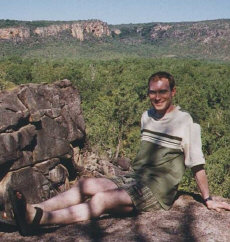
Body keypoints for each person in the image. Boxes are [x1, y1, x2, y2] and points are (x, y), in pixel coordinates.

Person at [9, 71, 230, 236]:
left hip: (156, 191)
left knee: (102, 200)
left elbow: (197, 164)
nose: (157, 97)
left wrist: (208, 199)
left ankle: (39, 219)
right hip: (135, 179)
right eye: (152, 92)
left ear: (173, 92)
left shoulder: (186, 122)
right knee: (86, 185)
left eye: (163, 91)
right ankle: (33, 209)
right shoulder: (147, 116)